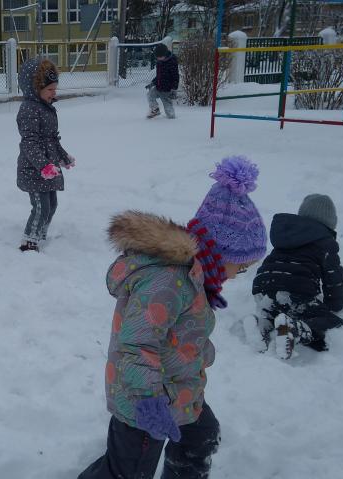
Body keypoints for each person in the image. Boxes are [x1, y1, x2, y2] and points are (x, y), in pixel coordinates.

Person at [79, 156, 266, 479]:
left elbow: (184, 330)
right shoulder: (167, 281)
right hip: (143, 400)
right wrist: (149, 402)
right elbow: (136, 344)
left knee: (201, 436)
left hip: (178, 390)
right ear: (219, 253)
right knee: (127, 472)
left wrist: (199, 354)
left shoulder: (194, 277)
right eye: (242, 265)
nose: (239, 274)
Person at [251, 194, 343, 359]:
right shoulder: (326, 242)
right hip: (295, 288)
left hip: (263, 285)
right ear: (330, 222)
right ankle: (294, 329)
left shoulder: (288, 234)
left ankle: (262, 325)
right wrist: (334, 305)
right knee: (328, 320)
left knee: (277, 309)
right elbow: (333, 278)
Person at [15, 58, 76, 253]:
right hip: (34, 169)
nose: (54, 93)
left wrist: (63, 156)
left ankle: (40, 234)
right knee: (41, 207)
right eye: (50, 89)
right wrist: (43, 166)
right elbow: (29, 143)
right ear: (36, 88)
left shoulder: (46, 107)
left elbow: (52, 139)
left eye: (55, 89)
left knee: (52, 205)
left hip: (48, 168)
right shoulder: (29, 109)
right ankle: (29, 242)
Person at [146, 43, 179, 119]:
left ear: (165, 54)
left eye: (160, 57)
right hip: (158, 87)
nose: (158, 58)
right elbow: (159, 76)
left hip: (167, 90)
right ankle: (155, 109)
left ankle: (172, 118)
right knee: (150, 95)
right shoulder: (160, 62)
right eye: (157, 57)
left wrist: (174, 89)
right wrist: (153, 83)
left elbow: (175, 77)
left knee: (167, 105)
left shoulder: (172, 63)